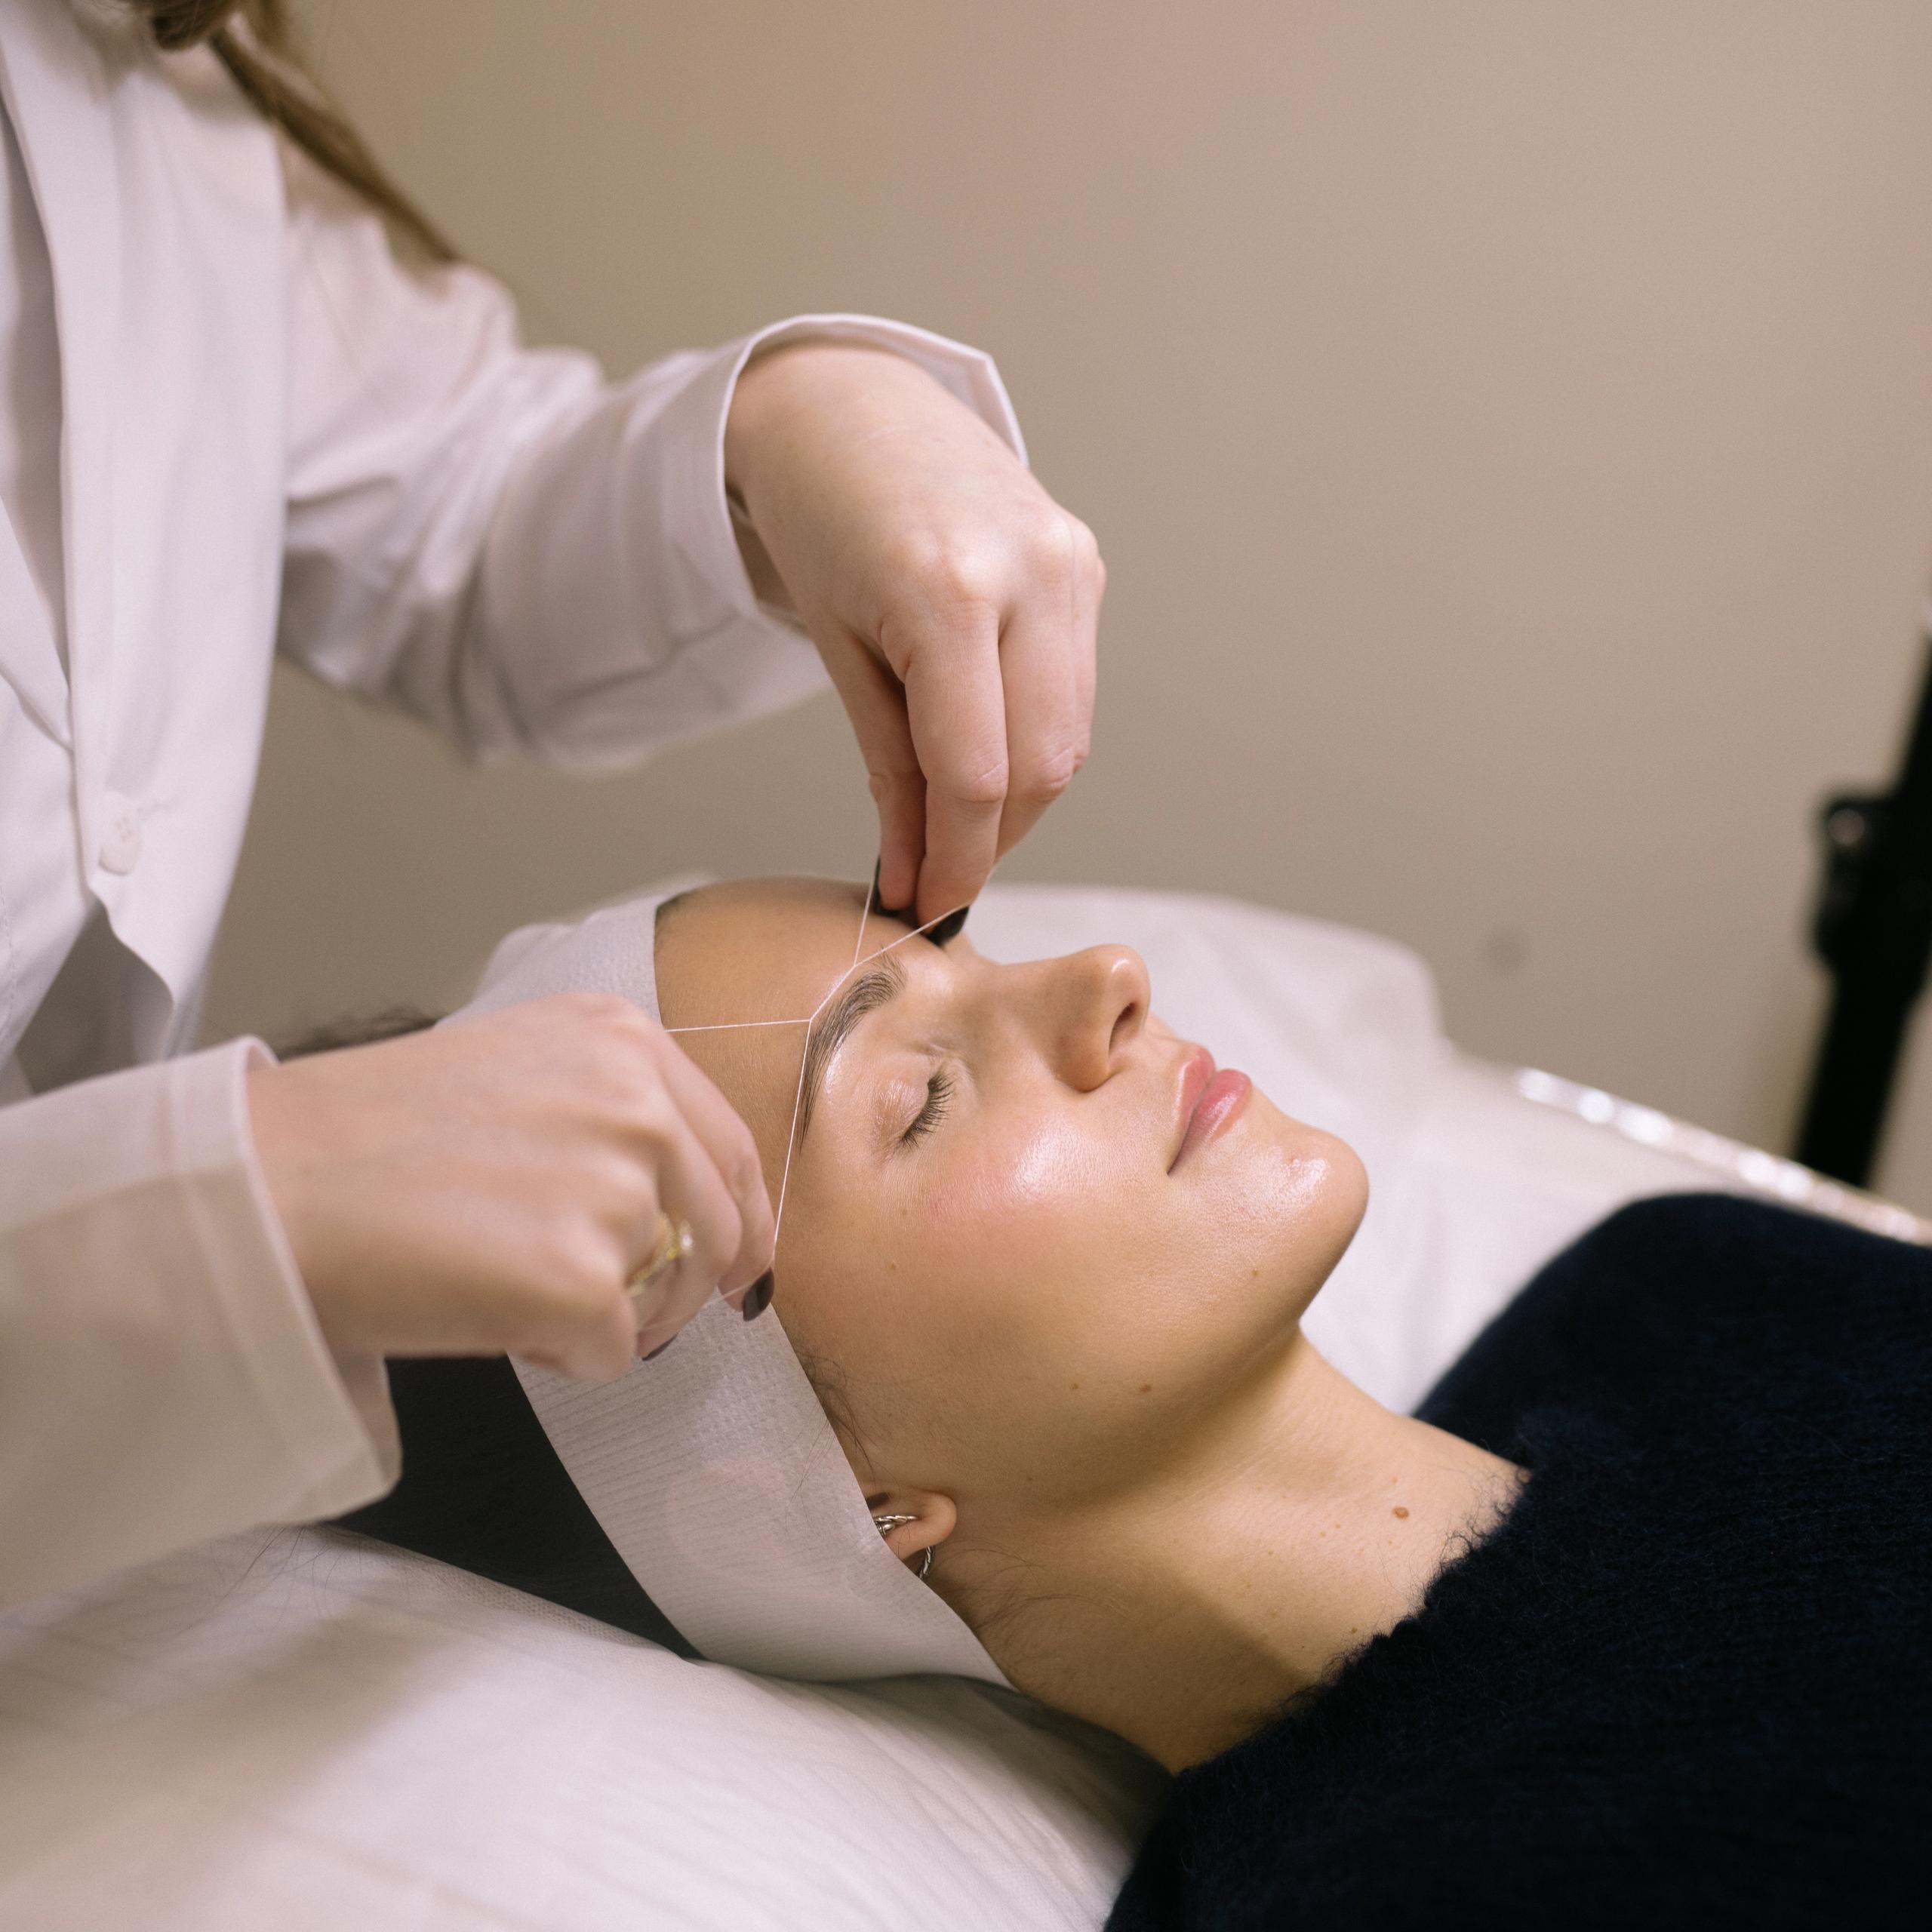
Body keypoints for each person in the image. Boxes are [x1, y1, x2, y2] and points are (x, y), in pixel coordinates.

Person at [0, 1, 1103, 1611]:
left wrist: (784, 424)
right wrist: (230, 1200)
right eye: (907, 1098)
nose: (1113, 977)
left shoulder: (116, 59)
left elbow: (452, 496)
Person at [345, 875, 1930, 1927]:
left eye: (954, 951)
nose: (1102, 978)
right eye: (920, 1094)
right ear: (847, 1496)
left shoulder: (1677, 1288)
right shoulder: (1370, 1891)